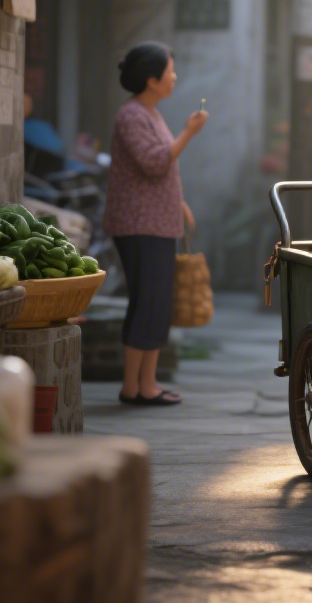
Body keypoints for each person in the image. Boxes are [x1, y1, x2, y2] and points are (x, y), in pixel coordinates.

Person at [103, 41, 207, 407]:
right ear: (152, 80)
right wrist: (188, 133)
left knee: (157, 304)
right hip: (138, 224)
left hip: (157, 222)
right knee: (147, 303)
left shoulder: (150, 113)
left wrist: (178, 203)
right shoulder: (132, 115)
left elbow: (157, 170)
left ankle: (146, 382)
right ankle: (134, 387)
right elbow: (153, 162)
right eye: (169, 72)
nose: (174, 77)